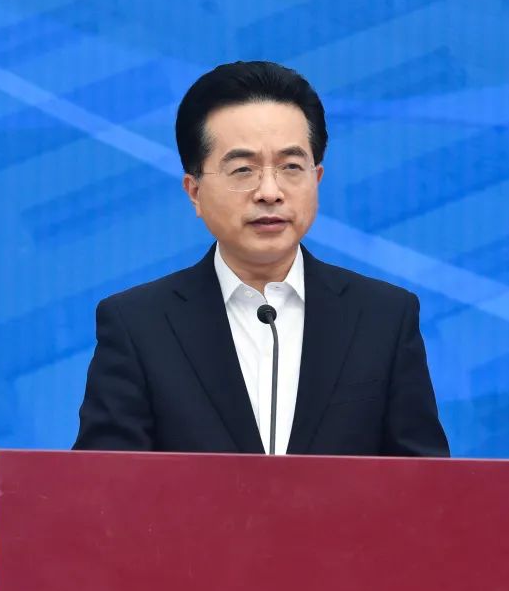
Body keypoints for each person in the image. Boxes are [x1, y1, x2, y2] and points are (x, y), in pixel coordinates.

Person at [73, 61, 448, 457]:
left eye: (291, 167)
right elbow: (104, 486)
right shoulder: (138, 325)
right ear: (194, 192)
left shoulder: (384, 318)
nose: (270, 191)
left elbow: (425, 483)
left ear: (316, 179)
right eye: (242, 169)